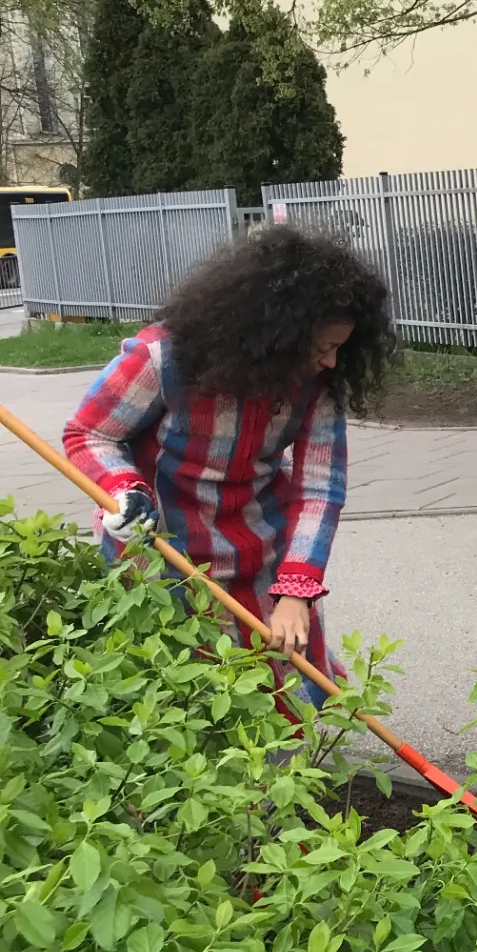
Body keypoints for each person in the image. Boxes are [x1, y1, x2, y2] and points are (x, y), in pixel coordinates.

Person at [64, 225, 395, 705]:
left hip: (263, 555)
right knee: (180, 699)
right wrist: (124, 488)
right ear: (274, 335)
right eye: (322, 347)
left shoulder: (317, 385)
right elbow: (89, 433)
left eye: (340, 347)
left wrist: (296, 591)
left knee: (289, 692)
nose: (331, 362)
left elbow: (320, 488)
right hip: (159, 558)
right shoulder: (162, 360)